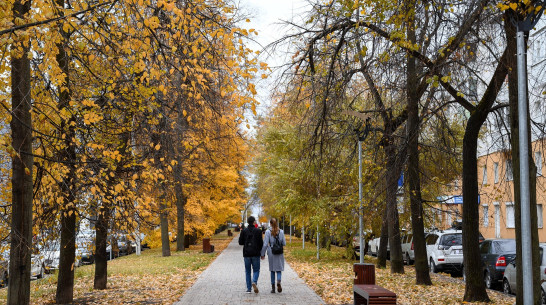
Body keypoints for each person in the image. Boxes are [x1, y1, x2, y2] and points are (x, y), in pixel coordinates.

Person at [238, 216, 263, 293]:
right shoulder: (258, 231)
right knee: (256, 270)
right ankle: (254, 281)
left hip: (247, 253)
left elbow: (240, 242)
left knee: (247, 271)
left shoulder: (244, 231)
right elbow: (261, 243)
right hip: (255, 253)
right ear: (254, 222)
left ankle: (249, 289)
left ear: (248, 222)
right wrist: (260, 251)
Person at [260, 218, 286, 293]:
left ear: (270, 224)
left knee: (272, 269)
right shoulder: (281, 231)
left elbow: (265, 244)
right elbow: (284, 243)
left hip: (271, 251)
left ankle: (273, 287)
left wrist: (262, 254)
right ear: (276, 223)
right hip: (279, 252)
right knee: (278, 268)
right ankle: (278, 281)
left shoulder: (268, 232)